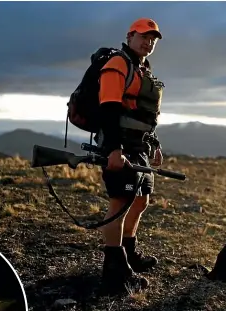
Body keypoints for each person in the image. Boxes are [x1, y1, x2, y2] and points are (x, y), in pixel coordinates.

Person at [96, 17, 165, 295]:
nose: (148, 42)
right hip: (119, 145)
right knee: (120, 202)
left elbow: (145, 114)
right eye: (144, 36)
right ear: (130, 35)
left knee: (140, 200)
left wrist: (155, 143)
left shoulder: (143, 68)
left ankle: (129, 252)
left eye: (153, 39)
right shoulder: (118, 64)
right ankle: (113, 267)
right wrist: (113, 150)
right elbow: (109, 108)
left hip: (139, 146)